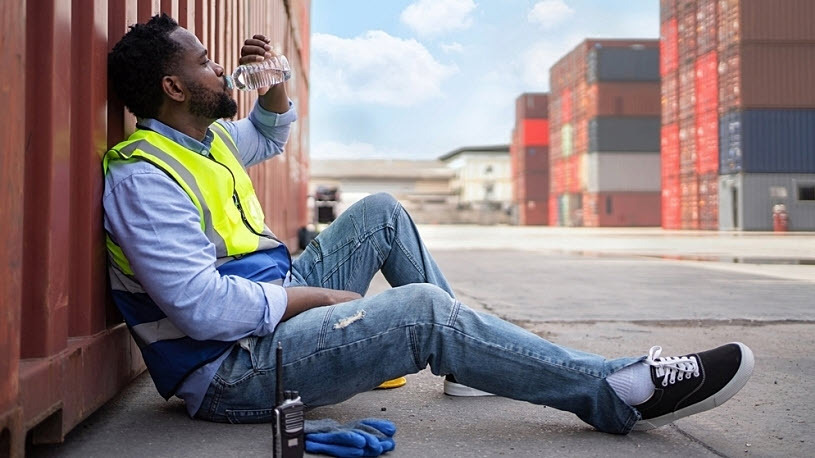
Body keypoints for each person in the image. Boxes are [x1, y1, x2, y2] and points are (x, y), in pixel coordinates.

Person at [104, 14, 753, 435]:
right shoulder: (143, 178)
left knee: (381, 211)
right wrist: (316, 297)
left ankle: (469, 364)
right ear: (175, 87)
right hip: (232, 368)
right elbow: (201, 311)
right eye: (204, 63)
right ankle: (614, 390)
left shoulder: (203, 142)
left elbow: (270, 134)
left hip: (269, 315)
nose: (221, 68)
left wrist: (271, 81)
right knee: (422, 313)